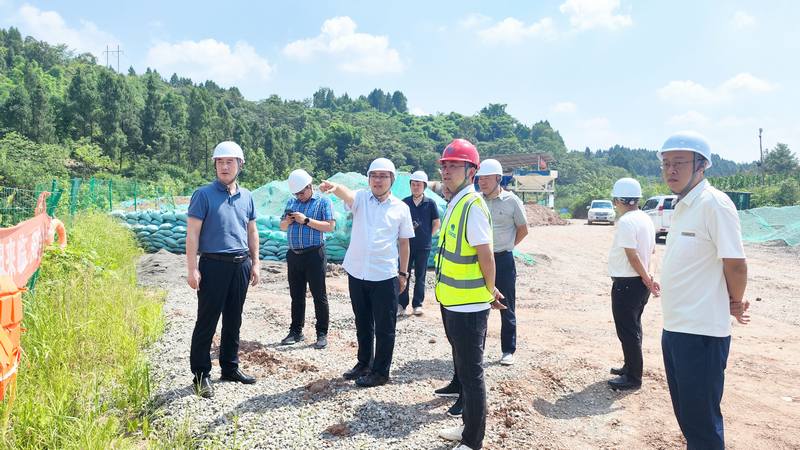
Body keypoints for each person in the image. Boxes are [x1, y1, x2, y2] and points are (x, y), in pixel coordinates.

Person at [658, 131, 750, 449]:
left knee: (702, 424)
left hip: (702, 335)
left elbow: (735, 264)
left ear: (702, 165)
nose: (671, 170)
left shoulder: (715, 204)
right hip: (675, 328)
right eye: (666, 164)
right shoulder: (683, 205)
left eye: (679, 163)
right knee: (688, 418)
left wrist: (735, 301)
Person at [434, 139, 506, 450]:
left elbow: (485, 256)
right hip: (453, 302)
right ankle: (466, 428)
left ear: (471, 170)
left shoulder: (473, 205)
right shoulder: (455, 202)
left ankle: (473, 440)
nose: (447, 170)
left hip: (469, 306)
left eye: (454, 165)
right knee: (463, 370)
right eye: (445, 165)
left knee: (472, 374)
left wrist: (490, 291)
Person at [319, 158, 414, 388]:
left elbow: (404, 243)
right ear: (368, 178)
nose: (378, 180)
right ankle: (364, 363)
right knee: (362, 322)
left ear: (392, 180)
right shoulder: (362, 198)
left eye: (383, 176)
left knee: (384, 326)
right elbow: (346, 194)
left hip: (384, 275)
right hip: (357, 271)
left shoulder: (400, 208)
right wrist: (334, 187)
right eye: (374, 176)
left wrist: (403, 274)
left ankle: (381, 372)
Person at [186, 141, 260, 398]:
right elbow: (192, 234)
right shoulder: (203, 195)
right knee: (207, 320)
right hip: (213, 264)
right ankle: (201, 374)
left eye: (230, 162)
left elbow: (251, 231)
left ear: (240, 164)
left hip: (240, 265)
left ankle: (230, 367)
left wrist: (256, 263)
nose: (224, 166)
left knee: (233, 319)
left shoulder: (247, 196)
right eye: (220, 162)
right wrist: (192, 268)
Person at [606, 177, 658, 391]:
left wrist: (647, 278)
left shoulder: (627, 222)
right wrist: (650, 277)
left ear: (619, 199)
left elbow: (632, 255)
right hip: (638, 283)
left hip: (628, 284)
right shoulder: (645, 218)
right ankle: (629, 367)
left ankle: (633, 377)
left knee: (628, 330)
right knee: (633, 328)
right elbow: (652, 253)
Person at [475, 159, 528, 366]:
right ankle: (478, 349)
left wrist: (508, 246)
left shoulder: (512, 201)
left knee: (506, 304)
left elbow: (523, 229)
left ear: (498, 178)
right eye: (480, 178)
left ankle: (508, 350)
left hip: (503, 259)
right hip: (480, 259)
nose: (482, 182)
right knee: (480, 303)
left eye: (487, 178)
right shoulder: (477, 200)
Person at [279, 169, 335, 349]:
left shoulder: (323, 201)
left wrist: (306, 220)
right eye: (296, 193)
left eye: (302, 192)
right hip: (294, 255)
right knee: (296, 295)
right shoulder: (291, 202)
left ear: (310, 186)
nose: (299, 196)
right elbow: (281, 226)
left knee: (319, 295)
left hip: (314, 254)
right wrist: (288, 221)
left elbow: (329, 226)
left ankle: (321, 333)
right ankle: (296, 331)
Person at [398, 170, 441, 317]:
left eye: (419, 185)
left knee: (421, 276)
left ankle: (418, 304)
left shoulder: (430, 203)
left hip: (424, 246)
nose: (416, 187)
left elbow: (436, 223)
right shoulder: (405, 203)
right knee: (404, 274)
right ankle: (401, 304)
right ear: (410, 186)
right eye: (413, 184)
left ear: (424, 186)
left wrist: (428, 234)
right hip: (407, 246)